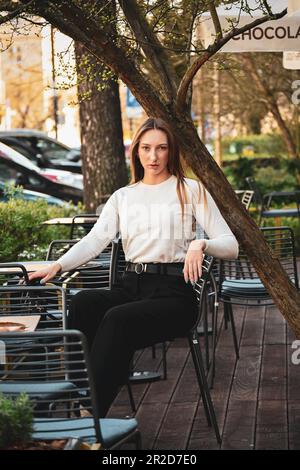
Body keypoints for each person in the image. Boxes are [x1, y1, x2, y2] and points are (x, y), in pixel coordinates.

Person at [29, 117, 238, 417]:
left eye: (162, 148)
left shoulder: (190, 190)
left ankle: (89, 416)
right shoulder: (123, 197)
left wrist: (201, 244)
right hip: (130, 286)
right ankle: (75, 399)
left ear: (171, 151)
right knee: (85, 302)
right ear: (136, 152)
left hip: (174, 294)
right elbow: (94, 241)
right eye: (146, 148)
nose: (154, 156)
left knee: (117, 320)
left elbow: (230, 245)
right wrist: (58, 265)